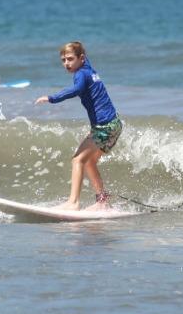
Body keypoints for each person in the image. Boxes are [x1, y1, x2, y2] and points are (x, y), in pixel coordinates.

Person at [34, 41, 122, 211]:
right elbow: (82, 60)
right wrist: (77, 51)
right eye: (63, 60)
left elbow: (76, 90)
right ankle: (102, 201)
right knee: (89, 162)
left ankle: (73, 202)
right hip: (114, 124)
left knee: (78, 160)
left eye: (70, 59)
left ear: (81, 58)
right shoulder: (89, 69)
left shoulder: (81, 74)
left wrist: (52, 98)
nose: (66, 63)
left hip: (104, 126)